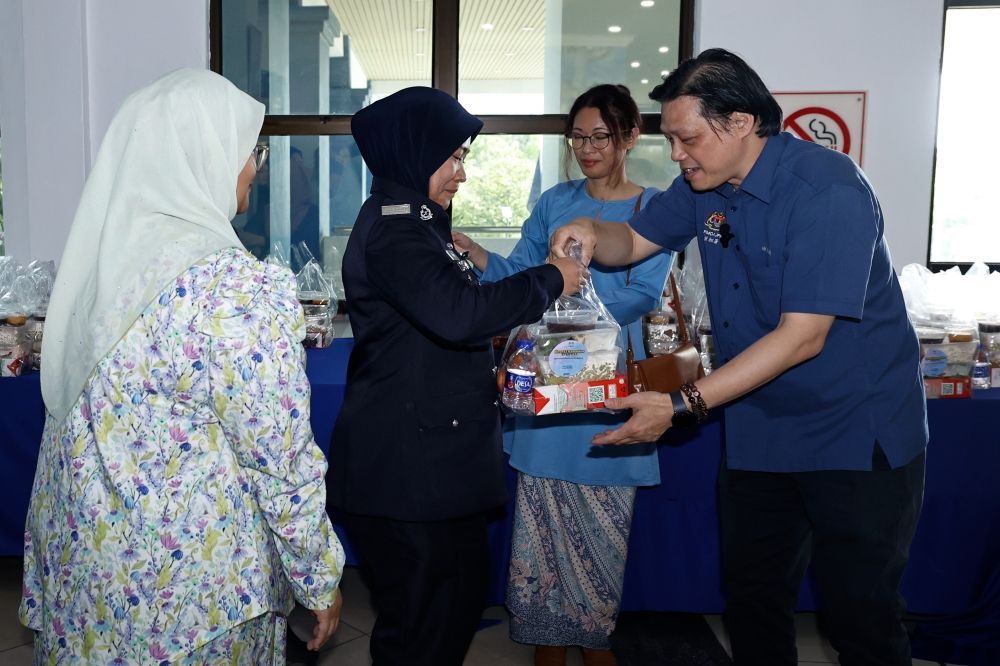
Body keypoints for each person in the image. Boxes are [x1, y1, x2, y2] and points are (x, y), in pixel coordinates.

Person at [551, 49, 927, 666]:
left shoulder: (827, 188)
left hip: (854, 432)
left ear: (741, 122)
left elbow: (803, 335)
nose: (676, 154)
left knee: (861, 611)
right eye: (670, 139)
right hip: (761, 427)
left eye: (686, 138)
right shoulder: (704, 186)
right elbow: (635, 239)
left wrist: (681, 404)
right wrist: (593, 229)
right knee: (753, 599)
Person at [20, 68, 345, 664]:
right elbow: (280, 458)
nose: (256, 167)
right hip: (196, 600)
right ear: (206, 155)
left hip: (87, 577)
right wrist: (318, 575)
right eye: (252, 151)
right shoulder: (234, 291)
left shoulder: (95, 271)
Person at [327, 87, 585, 666]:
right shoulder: (396, 231)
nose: (462, 176)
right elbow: (457, 313)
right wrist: (548, 279)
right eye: (455, 158)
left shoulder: (421, 226)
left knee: (455, 606)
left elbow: (447, 321)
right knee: (422, 631)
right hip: (407, 469)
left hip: (434, 463)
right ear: (417, 153)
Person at [452, 84, 672, 666]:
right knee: (540, 564)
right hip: (546, 398)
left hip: (605, 396)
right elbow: (525, 274)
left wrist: (567, 302)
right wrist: (475, 252)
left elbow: (641, 296)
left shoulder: (654, 211)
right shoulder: (554, 201)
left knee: (599, 562)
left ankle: (595, 648)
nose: (587, 147)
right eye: (578, 136)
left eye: (601, 136)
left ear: (630, 138)